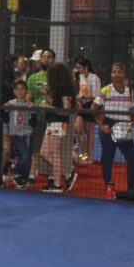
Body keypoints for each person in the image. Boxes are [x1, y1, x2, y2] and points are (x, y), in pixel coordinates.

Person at [92, 63, 134, 199]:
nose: (116, 74)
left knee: (133, 159)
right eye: (114, 72)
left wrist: (131, 122)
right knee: (107, 158)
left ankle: (131, 189)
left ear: (124, 74)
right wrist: (102, 125)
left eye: (119, 72)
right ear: (111, 74)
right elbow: (93, 109)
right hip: (109, 125)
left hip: (124, 127)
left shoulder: (129, 91)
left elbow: (132, 109)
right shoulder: (106, 90)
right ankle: (109, 187)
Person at [39, 61, 77, 193]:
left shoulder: (65, 90)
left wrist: (48, 106)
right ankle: (66, 175)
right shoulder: (56, 89)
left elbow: (65, 111)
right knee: (45, 152)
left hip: (59, 123)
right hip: (52, 122)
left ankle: (58, 183)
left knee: (54, 153)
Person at [27, 47, 55, 185]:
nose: (46, 59)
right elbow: (28, 96)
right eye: (44, 56)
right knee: (36, 148)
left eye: (49, 57)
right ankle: (32, 174)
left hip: (54, 119)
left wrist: (49, 96)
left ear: (53, 60)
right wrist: (30, 104)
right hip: (38, 119)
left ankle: (53, 176)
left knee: (52, 150)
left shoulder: (57, 78)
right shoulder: (33, 77)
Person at [5, 80, 34, 189]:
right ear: (14, 91)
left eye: (22, 89)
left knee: (28, 157)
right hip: (15, 134)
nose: (20, 91)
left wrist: (32, 108)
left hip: (27, 133)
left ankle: (23, 178)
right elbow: (4, 110)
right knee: (24, 154)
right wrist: (5, 106)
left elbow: (34, 119)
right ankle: (17, 174)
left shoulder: (29, 104)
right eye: (17, 89)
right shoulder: (11, 103)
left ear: (26, 91)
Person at [73, 57, 100, 163]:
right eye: (76, 67)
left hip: (92, 105)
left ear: (86, 67)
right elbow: (82, 91)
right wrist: (78, 98)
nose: (77, 70)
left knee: (89, 131)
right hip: (82, 105)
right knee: (78, 129)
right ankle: (83, 155)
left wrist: (84, 96)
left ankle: (89, 156)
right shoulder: (81, 77)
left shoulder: (95, 78)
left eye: (79, 67)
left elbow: (96, 96)